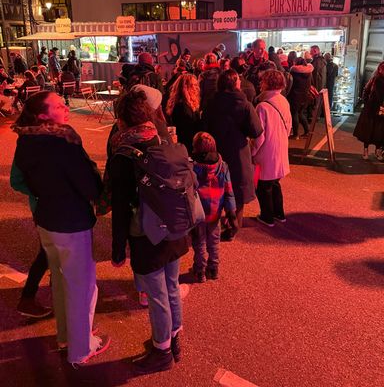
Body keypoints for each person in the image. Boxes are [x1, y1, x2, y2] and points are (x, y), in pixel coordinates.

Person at [11, 91, 108, 366]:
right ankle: (81, 348)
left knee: (62, 282)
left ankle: (66, 336)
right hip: (71, 221)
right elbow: (88, 185)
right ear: (43, 115)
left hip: (46, 220)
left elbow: (21, 179)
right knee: (82, 287)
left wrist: (47, 193)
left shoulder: (26, 140)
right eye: (58, 105)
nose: (65, 106)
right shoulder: (63, 141)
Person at [110, 90, 188, 374]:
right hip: (175, 228)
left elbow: (119, 208)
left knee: (156, 295)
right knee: (171, 287)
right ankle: (173, 337)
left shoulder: (123, 155)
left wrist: (118, 249)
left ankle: (162, 350)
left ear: (121, 121)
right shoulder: (162, 140)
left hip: (147, 235)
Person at [203, 69, 263, 228]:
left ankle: (216, 223)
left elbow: (204, 126)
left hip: (216, 151)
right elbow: (256, 131)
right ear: (235, 83)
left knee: (217, 187)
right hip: (238, 152)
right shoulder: (244, 104)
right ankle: (234, 224)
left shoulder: (211, 102)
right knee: (238, 189)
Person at [190, 132, 236, 283]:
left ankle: (200, 271)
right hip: (216, 211)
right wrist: (231, 212)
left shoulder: (192, 167)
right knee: (214, 241)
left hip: (198, 212)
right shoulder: (222, 166)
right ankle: (213, 268)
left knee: (199, 242)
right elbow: (229, 190)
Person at [10, 161, 51, 318]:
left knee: (49, 253)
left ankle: (30, 298)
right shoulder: (28, 145)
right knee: (48, 254)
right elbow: (16, 180)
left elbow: (16, 180)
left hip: (48, 208)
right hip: (48, 209)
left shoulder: (27, 144)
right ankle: (27, 298)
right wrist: (40, 191)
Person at [252, 70, 292, 227]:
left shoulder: (262, 106)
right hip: (280, 147)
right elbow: (288, 127)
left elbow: (259, 136)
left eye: (262, 81)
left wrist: (252, 152)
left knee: (263, 186)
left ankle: (267, 216)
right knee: (275, 183)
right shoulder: (283, 100)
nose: (260, 83)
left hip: (266, 152)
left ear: (267, 83)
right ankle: (279, 213)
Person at [353, 62, 384, 160]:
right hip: (372, 110)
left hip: (377, 110)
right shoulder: (375, 79)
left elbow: (365, 92)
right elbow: (366, 92)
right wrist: (368, 103)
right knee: (370, 131)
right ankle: (368, 151)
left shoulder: (375, 79)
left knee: (377, 132)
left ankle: (376, 151)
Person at [166, 73, 201, 154]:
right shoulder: (181, 106)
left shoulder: (187, 104)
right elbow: (187, 130)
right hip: (186, 146)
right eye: (193, 85)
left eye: (196, 84)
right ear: (185, 88)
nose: (196, 88)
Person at [288, 57, 314, 139]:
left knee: (294, 113)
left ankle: (296, 134)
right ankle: (307, 131)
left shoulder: (294, 71)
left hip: (295, 95)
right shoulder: (309, 72)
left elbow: (290, 83)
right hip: (305, 96)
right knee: (300, 113)